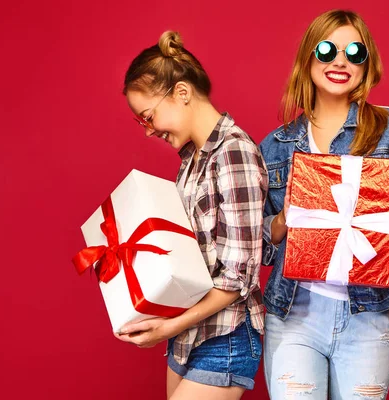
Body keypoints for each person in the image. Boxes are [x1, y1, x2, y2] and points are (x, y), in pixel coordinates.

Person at [259, 10, 389, 399]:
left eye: (354, 52)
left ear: (366, 64)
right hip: (294, 316)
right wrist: (284, 220)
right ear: (308, 58)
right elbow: (257, 240)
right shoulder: (274, 147)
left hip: (366, 318)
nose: (340, 61)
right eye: (327, 50)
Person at [115, 31, 268, 400]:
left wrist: (169, 326)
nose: (149, 130)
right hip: (190, 335)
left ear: (181, 93)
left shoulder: (233, 153)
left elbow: (238, 278)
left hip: (226, 335)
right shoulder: (191, 162)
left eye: (148, 117)